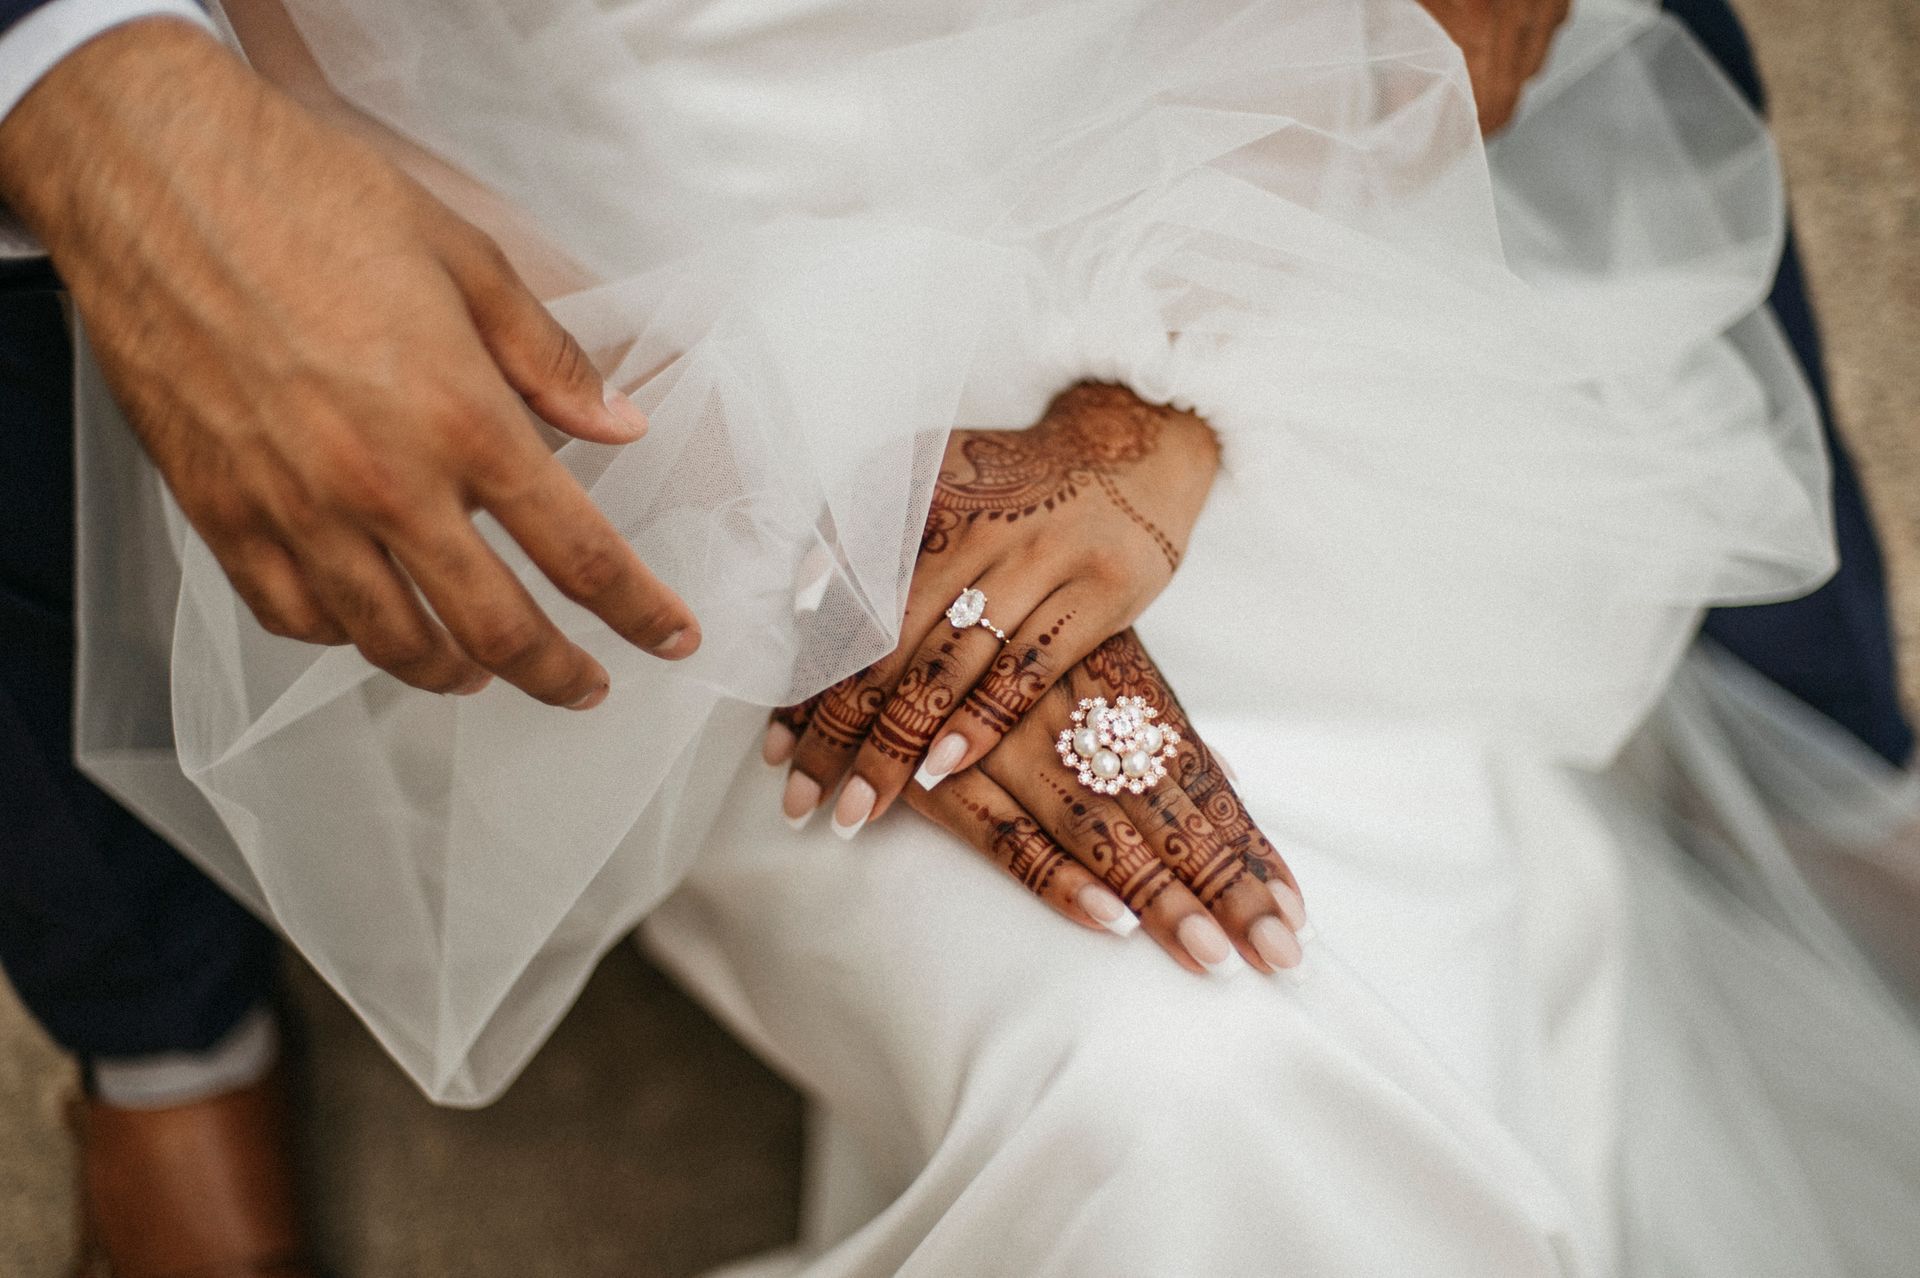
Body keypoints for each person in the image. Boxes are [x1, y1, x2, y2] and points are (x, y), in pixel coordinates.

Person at [5, 2, 1915, 1278]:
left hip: (1290, 245)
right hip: (608, 325)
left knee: (1292, 1051)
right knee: (1216, 1080)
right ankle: (163, 1040)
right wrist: (765, 518)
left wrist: (1175, 383)